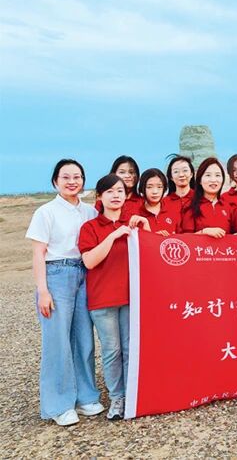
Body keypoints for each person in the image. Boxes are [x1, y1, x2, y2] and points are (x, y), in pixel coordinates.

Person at [25, 159, 104, 426]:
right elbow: (38, 253)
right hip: (56, 274)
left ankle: (85, 396)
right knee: (57, 341)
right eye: (66, 177)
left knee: (83, 338)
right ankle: (59, 405)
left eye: (77, 177)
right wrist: (43, 291)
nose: (72, 182)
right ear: (55, 181)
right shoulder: (45, 212)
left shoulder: (90, 211)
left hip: (84, 273)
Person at [79, 174, 150, 420]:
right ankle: (117, 398)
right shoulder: (90, 227)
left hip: (131, 298)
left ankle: (132, 395)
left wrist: (145, 227)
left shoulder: (133, 225)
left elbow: (150, 254)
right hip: (102, 300)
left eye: (120, 190)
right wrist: (112, 235)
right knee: (112, 351)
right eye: (109, 191)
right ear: (100, 197)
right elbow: (89, 261)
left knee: (131, 349)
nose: (116, 195)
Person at [180, 157, 232, 237]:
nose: (213, 180)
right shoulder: (190, 206)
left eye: (217, 175)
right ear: (200, 180)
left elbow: (234, 236)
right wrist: (204, 232)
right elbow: (185, 239)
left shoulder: (227, 207)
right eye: (208, 175)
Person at [137, 168, 180, 235]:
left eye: (159, 187)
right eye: (149, 187)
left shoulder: (173, 210)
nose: (155, 192)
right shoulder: (136, 213)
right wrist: (155, 237)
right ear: (142, 189)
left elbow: (182, 237)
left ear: (164, 189)